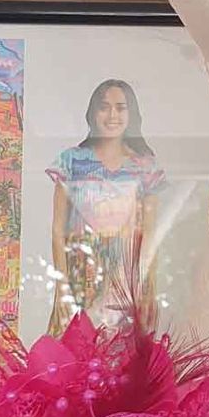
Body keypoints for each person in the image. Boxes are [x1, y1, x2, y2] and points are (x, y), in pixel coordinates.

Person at [50, 76, 163, 325]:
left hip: (126, 284)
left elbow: (150, 233)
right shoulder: (71, 161)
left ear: (131, 113)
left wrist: (146, 287)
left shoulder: (145, 166)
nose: (112, 115)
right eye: (104, 107)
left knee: (123, 360)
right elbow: (59, 230)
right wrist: (62, 289)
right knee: (75, 356)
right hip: (81, 281)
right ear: (93, 112)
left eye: (121, 107)